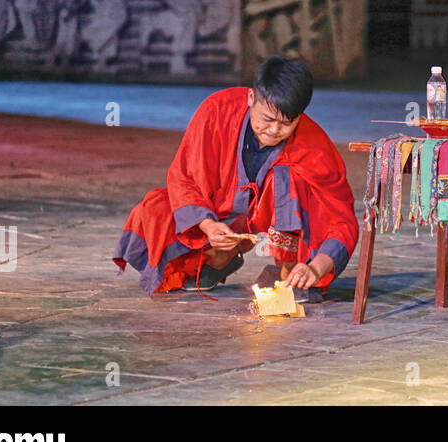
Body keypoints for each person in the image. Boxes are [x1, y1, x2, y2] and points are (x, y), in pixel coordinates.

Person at [113, 56, 359, 294]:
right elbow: (183, 176)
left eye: (287, 123)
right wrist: (207, 225)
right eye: (268, 119)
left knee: (290, 178)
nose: (274, 131)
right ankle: (219, 259)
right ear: (251, 97)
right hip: (218, 212)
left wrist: (316, 268)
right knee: (155, 212)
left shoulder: (315, 146)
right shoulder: (217, 111)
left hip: (274, 222)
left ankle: (290, 271)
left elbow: (342, 219)